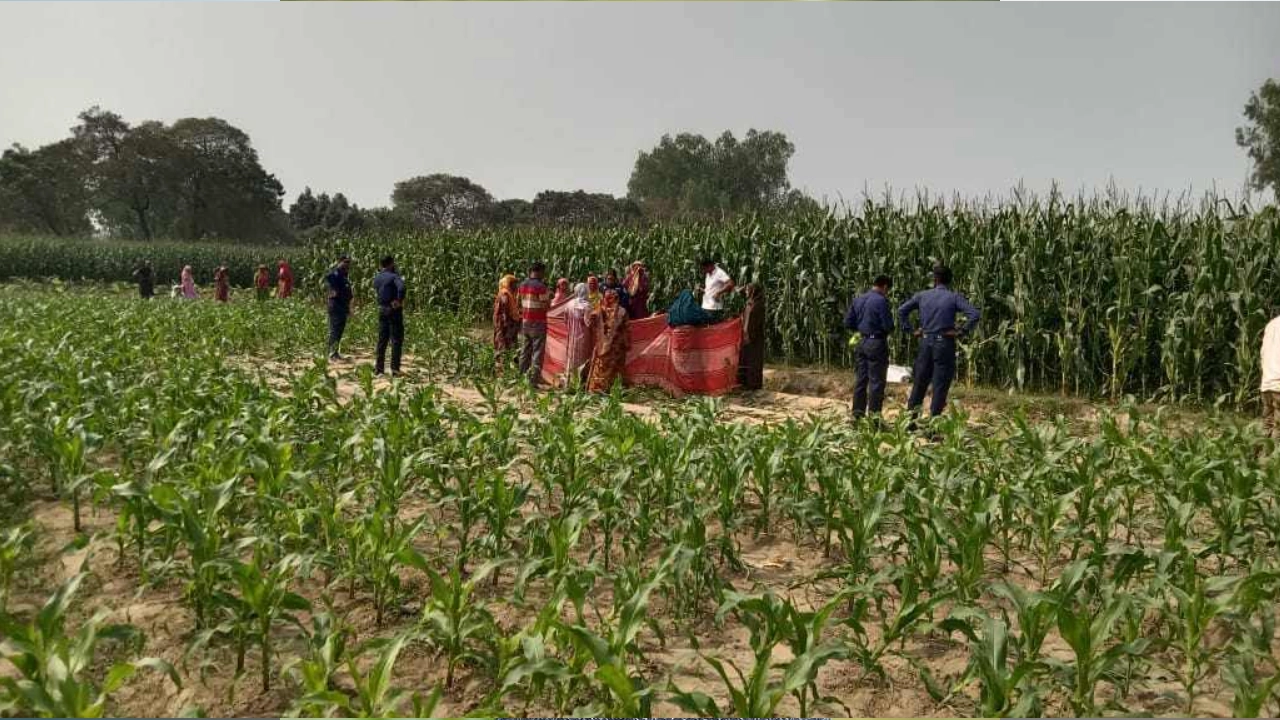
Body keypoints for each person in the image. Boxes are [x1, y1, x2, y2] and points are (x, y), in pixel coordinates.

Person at [897, 265, 980, 421]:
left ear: (934, 279)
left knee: (920, 382)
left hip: (925, 341)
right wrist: (961, 331)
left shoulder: (922, 295)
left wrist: (911, 330)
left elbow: (901, 310)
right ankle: (933, 426)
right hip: (944, 343)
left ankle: (910, 422)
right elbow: (974, 314)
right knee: (940, 385)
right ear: (949, 280)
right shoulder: (953, 297)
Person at [845, 275, 895, 420]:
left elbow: (848, 322)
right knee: (876, 382)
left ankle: (857, 416)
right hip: (876, 343)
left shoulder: (859, 299)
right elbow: (888, 326)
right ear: (885, 286)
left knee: (861, 380)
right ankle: (874, 420)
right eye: (888, 290)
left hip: (862, 342)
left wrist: (862, 330)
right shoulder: (881, 301)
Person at [587, 288, 630, 393]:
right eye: (608, 298)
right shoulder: (602, 310)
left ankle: (601, 388)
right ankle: (606, 388)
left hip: (612, 345)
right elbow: (627, 329)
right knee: (605, 365)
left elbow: (626, 328)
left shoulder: (619, 311)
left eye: (611, 298)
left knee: (605, 365)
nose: (609, 300)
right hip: (612, 345)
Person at [373, 255, 406, 377]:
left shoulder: (378, 277)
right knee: (396, 340)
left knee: (382, 340)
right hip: (393, 310)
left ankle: (379, 369)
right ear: (391, 264)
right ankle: (395, 370)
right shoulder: (394, 276)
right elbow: (402, 287)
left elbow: (377, 288)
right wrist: (398, 300)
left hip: (382, 309)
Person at [517, 262, 550, 384]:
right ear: (540, 271)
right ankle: (533, 380)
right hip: (538, 322)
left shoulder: (522, 285)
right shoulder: (541, 287)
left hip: (526, 321)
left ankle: (521, 377)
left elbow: (518, 303)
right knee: (537, 352)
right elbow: (546, 305)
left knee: (525, 350)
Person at [564, 282, 595, 386]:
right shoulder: (587, 306)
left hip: (571, 335)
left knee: (571, 358)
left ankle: (569, 383)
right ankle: (579, 384)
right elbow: (589, 323)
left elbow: (565, 320)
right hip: (583, 337)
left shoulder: (569, 304)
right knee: (582, 359)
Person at [737, 283, 766, 390]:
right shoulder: (749, 303)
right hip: (745, 336)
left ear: (753, 291)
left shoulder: (759, 305)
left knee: (754, 361)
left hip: (754, 338)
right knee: (744, 359)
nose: (746, 292)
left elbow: (755, 322)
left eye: (748, 290)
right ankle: (744, 383)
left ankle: (754, 385)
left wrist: (750, 335)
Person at [325, 255, 354, 361]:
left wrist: (349, 309)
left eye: (348, 262)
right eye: (345, 261)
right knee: (335, 330)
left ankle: (335, 352)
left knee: (340, 331)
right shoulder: (336, 274)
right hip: (336, 306)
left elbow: (347, 292)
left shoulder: (344, 275)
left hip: (343, 307)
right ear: (339, 262)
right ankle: (331, 353)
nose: (347, 264)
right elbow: (329, 276)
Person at [492, 274, 521, 372]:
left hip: (508, 323)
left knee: (510, 344)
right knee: (503, 343)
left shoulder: (509, 293)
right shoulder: (505, 293)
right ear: (508, 283)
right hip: (505, 324)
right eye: (514, 284)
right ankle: (501, 367)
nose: (516, 286)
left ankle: (506, 366)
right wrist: (506, 323)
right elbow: (504, 308)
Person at [1261, 313, 1280, 440]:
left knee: (1267, 425)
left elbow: (1263, 353)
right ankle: (1273, 458)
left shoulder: (1272, 324)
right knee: (1279, 430)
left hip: (1267, 383)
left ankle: (1255, 456)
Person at [698, 258, 735, 323]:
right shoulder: (708, 274)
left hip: (714, 309)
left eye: (704, 268)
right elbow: (711, 289)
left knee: (713, 330)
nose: (704, 271)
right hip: (705, 307)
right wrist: (702, 290)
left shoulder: (719, 273)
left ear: (710, 266)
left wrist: (719, 293)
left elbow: (731, 283)